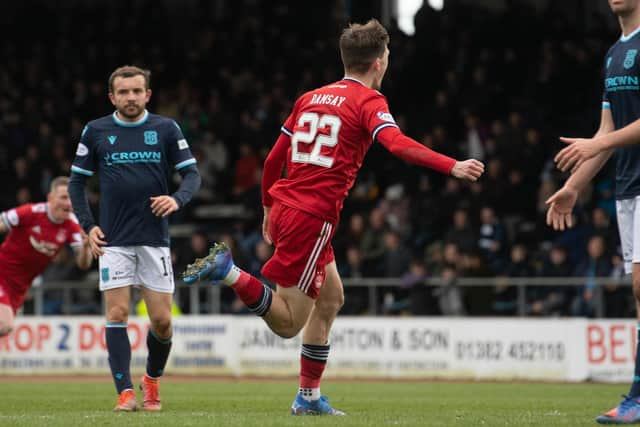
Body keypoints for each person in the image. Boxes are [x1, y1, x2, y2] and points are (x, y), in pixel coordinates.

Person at [182, 19, 483, 416]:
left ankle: (308, 398)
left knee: (332, 298)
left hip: (290, 204)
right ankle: (229, 272)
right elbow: (396, 143)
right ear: (379, 62)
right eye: (388, 55)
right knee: (289, 323)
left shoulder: (311, 97)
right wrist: (452, 165)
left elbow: (274, 159)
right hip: (312, 217)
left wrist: (269, 207)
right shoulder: (369, 103)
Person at [68, 65, 201, 412]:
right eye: (124, 92)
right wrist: (87, 224)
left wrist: (176, 199)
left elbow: (191, 175)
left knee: (162, 321)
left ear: (147, 95)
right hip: (113, 240)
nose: (131, 97)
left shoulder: (166, 128)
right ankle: (125, 393)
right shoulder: (95, 130)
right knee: (117, 311)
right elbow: (76, 183)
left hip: (154, 238)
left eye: (137, 91)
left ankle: (151, 380)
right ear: (112, 96)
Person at [546, 0, 640, 422]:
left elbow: (601, 141)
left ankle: (637, 397)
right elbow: (604, 133)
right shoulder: (613, 53)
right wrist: (572, 187)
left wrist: (599, 145)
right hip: (627, 186)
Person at [0, 176, 92, 334]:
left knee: (4, 331)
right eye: (63, 197)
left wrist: (85, 248)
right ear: (50, 198)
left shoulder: (72, 225)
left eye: (71, 198)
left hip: (19, 287)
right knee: (5, 324)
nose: (68, 203)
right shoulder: (30, 212)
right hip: (2, 274)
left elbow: (83, 264)